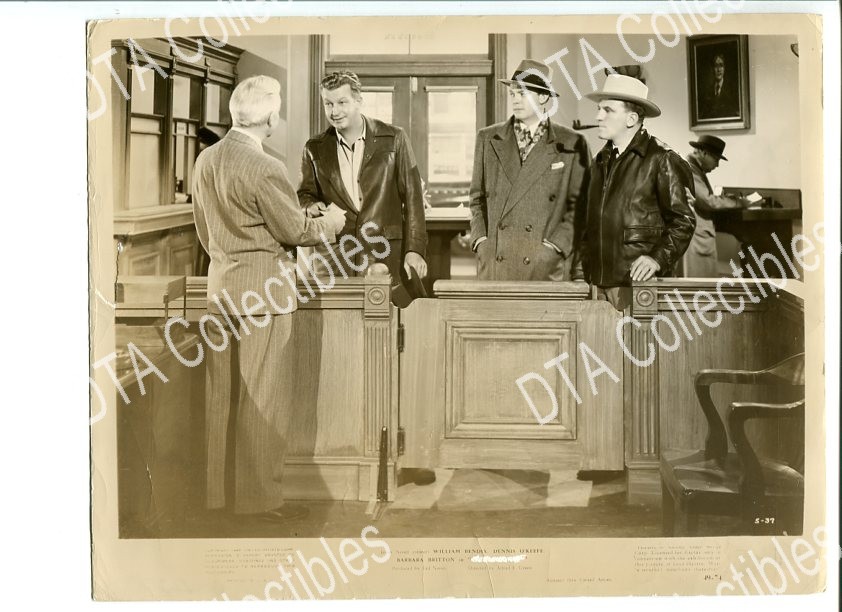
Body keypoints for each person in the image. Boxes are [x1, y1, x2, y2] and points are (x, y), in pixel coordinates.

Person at [192, 75, 346, 520]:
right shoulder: (267, 166)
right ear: (271, 117)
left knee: (221, 399)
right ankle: (257, 502)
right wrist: (333, 222)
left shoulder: (205, 159)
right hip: (265, 296)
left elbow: (203, 228)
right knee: (263, 400)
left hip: (221, 291)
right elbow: (295, 231)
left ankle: (217, 498)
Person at [298, 71, 427, 301]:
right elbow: (304, 194)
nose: (334, 111)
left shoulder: (394, 138)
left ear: (359, 101)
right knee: (339, 317)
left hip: (385, 252)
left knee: (385, 317)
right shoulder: (314, 147)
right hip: (336, 257)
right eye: (328, 104)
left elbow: (414, 198)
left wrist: (414, 249)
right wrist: (311, 205)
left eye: (342, 102)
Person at [572, 74, 696, 311]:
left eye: (608, 110)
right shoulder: (599, 161)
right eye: (599, 109)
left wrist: (656, 258)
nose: (598, 116)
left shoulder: (661, 159)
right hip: (596, 285)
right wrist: (580, 274)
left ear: (631, 118)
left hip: (637, 286)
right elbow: (587, 227)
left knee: (635, 337)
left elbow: (683, 221)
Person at [469, 59, 590, 281]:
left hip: (544, 264)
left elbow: (581, 208)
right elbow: (476, 199)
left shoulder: (572, 142)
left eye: (523, 94)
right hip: (496, 261)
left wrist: (555, 247)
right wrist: (481, 241)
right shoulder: (488, 138)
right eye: (513, 93)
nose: (515, 100)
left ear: (543, 97)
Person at [682, 135, 748, 277]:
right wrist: (739, 203)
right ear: (704, 153)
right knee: (699, 281)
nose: (717, 165)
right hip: (696, 236)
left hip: (695, 233)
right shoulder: (691, 170)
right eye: (716, 159)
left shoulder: (694, 168)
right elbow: (707, 201)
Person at [699, 53, 739, 119]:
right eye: (716, 66)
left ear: (724, 68)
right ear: (712, 69)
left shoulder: (732, 90)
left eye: (721, 65)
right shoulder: (707, 91)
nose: (719, 70)